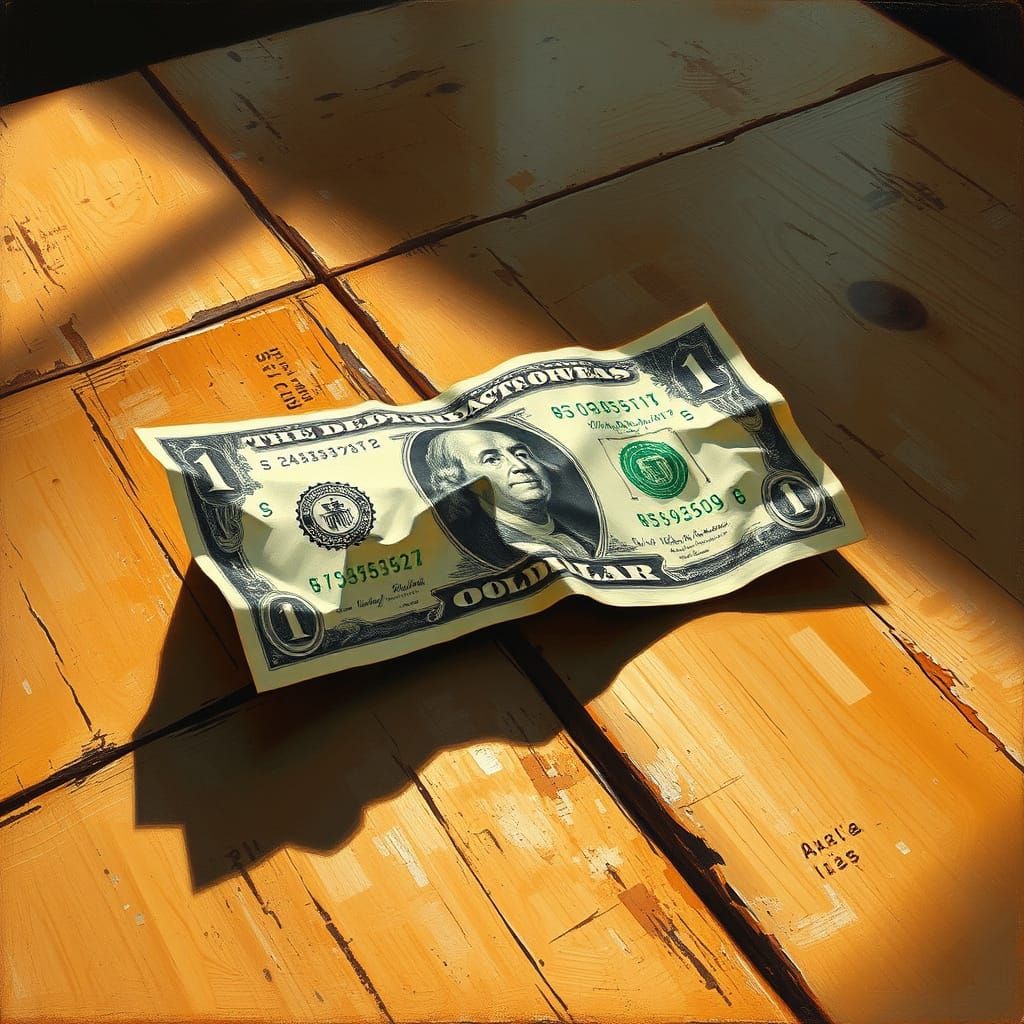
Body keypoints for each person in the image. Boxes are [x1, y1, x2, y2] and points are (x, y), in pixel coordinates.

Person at [424, 426, 594, 558]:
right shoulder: (478, 550)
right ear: (460, 482)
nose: (521, 466)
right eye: (492, 460)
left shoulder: (583, 539)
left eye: (521, 454)